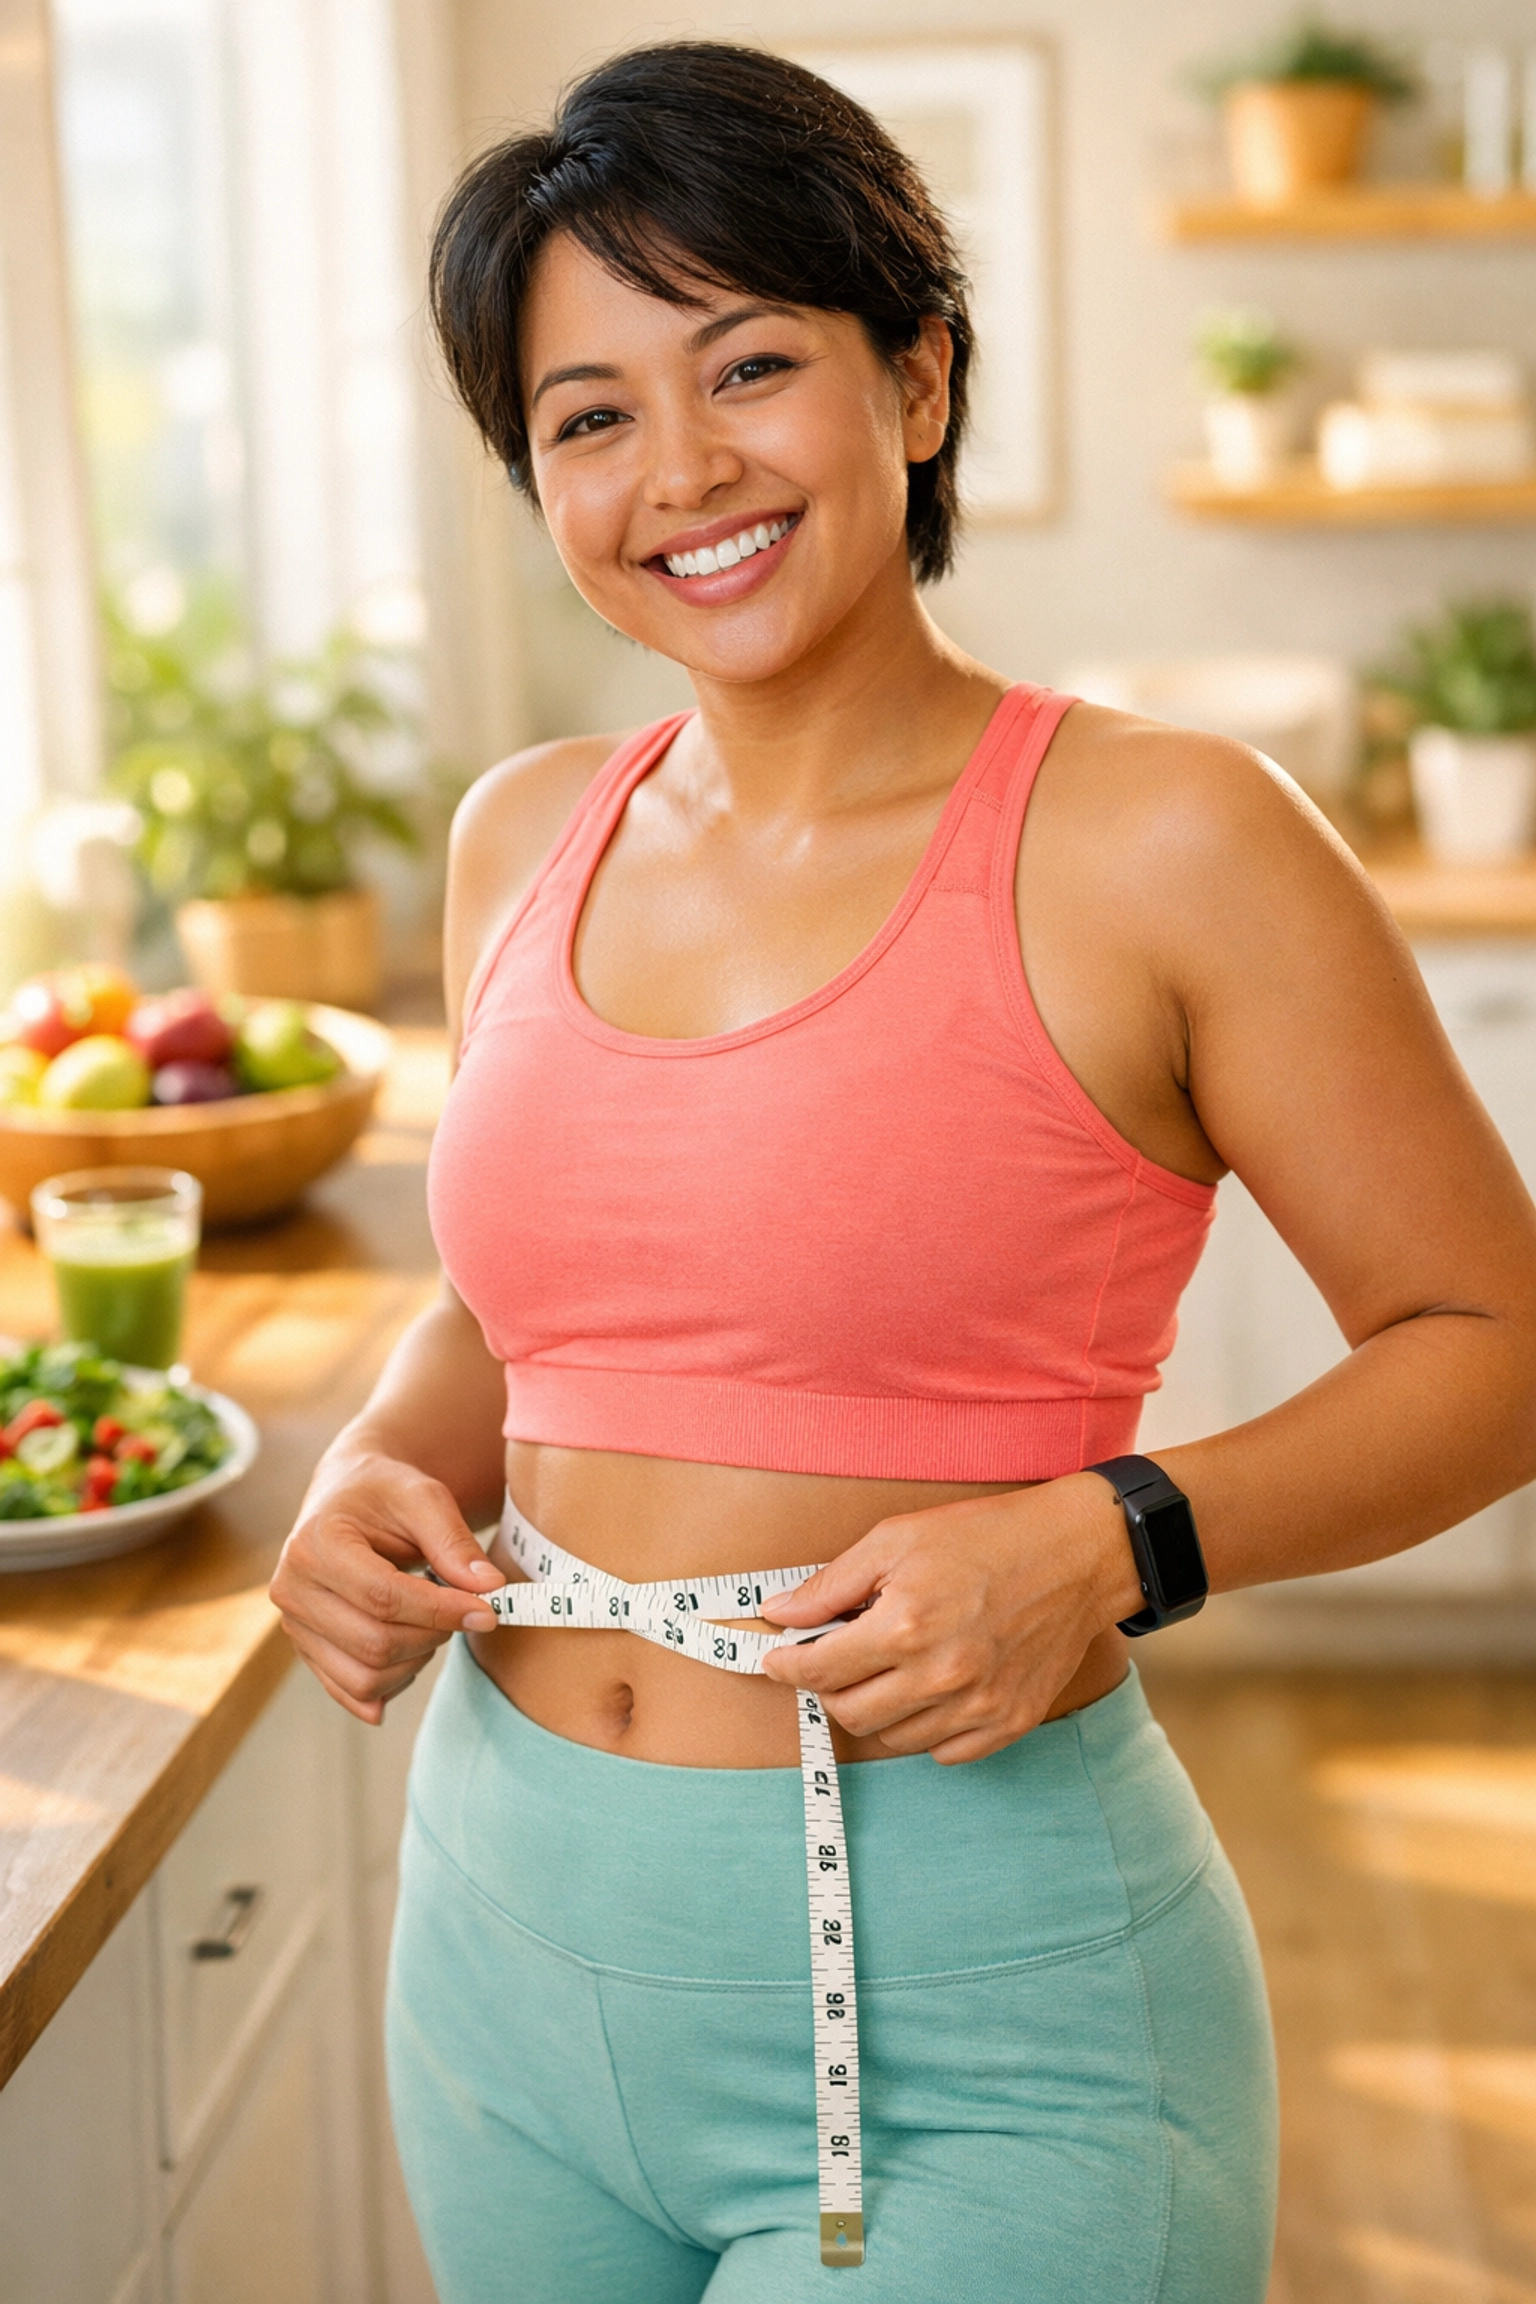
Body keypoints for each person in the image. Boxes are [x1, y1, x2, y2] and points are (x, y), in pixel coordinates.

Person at [270, 40, 1536, 2304]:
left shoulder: (1169, 840)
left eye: (751, 363)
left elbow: (1495, 1345)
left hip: (977, 2011)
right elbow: (532, 1298)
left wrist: (1121, 1535)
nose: (683, 469)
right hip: (501, 1957)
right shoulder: (518, 835)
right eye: (589, 415)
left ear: (919, 381)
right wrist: (380, 1459)